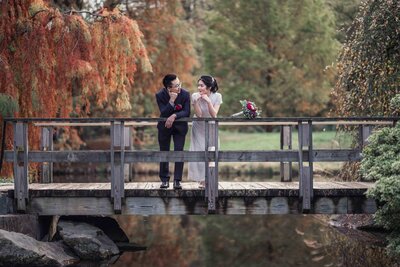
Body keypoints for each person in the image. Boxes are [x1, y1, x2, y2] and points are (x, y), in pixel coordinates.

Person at [155, 74, 190, 189]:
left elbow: (186, 112)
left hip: (180, 128)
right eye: (176, 85)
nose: (179, 87)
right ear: (169, 88)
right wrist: (171, 101)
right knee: (164, 152)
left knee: (179, 152)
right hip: (164, 127)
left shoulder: (185, 94)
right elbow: (163, 112)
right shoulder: (160, 95)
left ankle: (177, 180)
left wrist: (174, 115)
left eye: (180, 84)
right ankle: (164, 180)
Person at [188, 75, 222, 188]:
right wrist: (196, 102)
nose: (199, 88)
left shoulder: (217, 96)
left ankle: (211, 178)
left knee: (212, 151)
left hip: (211, 126)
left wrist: (208, 102)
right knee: (199, 151)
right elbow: (199, 115)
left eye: (201, 85)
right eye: (198, 85)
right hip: (198, 127)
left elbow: (214, 115)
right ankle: (202, 180)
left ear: (209, 87)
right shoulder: (194, 96)